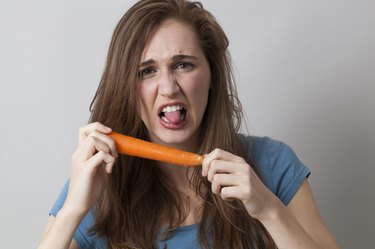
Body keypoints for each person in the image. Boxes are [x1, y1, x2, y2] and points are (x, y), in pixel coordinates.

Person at [38, 0, 340, 248]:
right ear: (127, 88)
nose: (168, 87)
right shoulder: (96, 182)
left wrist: (271, 211)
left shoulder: (273, 165)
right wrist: (73, 211)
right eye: (147, 71)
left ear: (211, 77)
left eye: (183, 65)